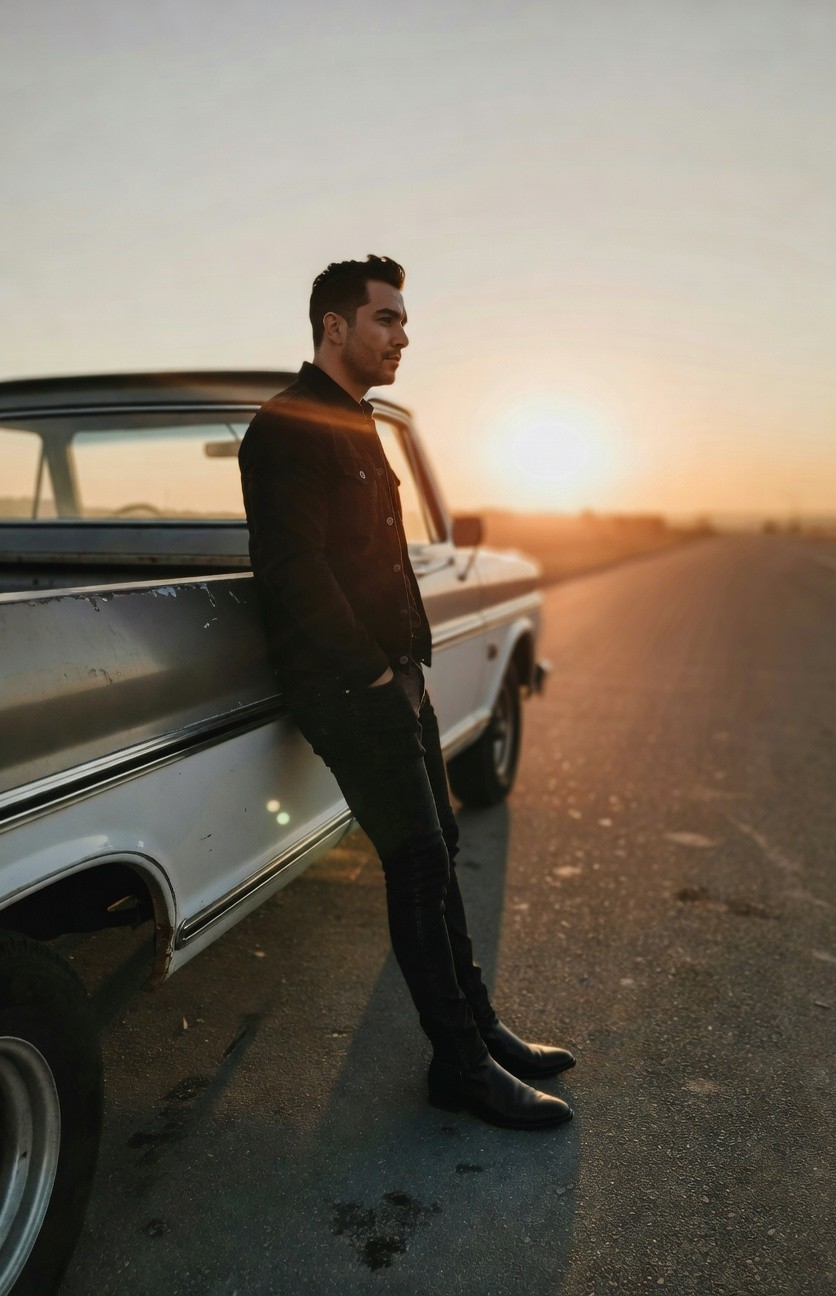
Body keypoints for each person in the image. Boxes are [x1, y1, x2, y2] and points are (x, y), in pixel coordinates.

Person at [238, 255, 573, 1129]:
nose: (404, 334)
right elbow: (296, 573)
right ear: (334, 327)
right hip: (350, 687)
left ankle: (482, 1029)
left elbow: (379, 559)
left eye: (404, 319)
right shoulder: (285, 427)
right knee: (417, 862)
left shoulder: (356, 421)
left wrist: (411, 666)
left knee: (442, 846)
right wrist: (378, 674)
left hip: (395, 678)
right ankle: (459, 1065)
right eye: (386, 318)